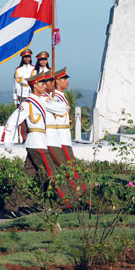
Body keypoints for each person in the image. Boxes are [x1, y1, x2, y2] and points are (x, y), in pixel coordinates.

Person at [1, 71, 69, 218]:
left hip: (40, 143)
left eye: (45, 83)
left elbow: (62, 109)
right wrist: (8, 141)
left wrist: (50, 101)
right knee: (52, 173)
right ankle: (67, 203)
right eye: (41, 83)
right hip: (35, 144)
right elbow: (12, 121)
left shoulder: (41, 101)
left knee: (27, 176)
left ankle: (14, 206)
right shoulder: (28, 104)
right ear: (34, 86)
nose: (44, 85)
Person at [45, 67, 86, 199]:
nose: (66, 81)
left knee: (71, 167)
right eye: (63, 79)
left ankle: (78, 192)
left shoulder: (61, 96)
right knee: (70, 168)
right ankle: (79, 193)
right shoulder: (55, 97)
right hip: (60, 137)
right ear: (56, 81)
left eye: (66, 79)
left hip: (65, 136)